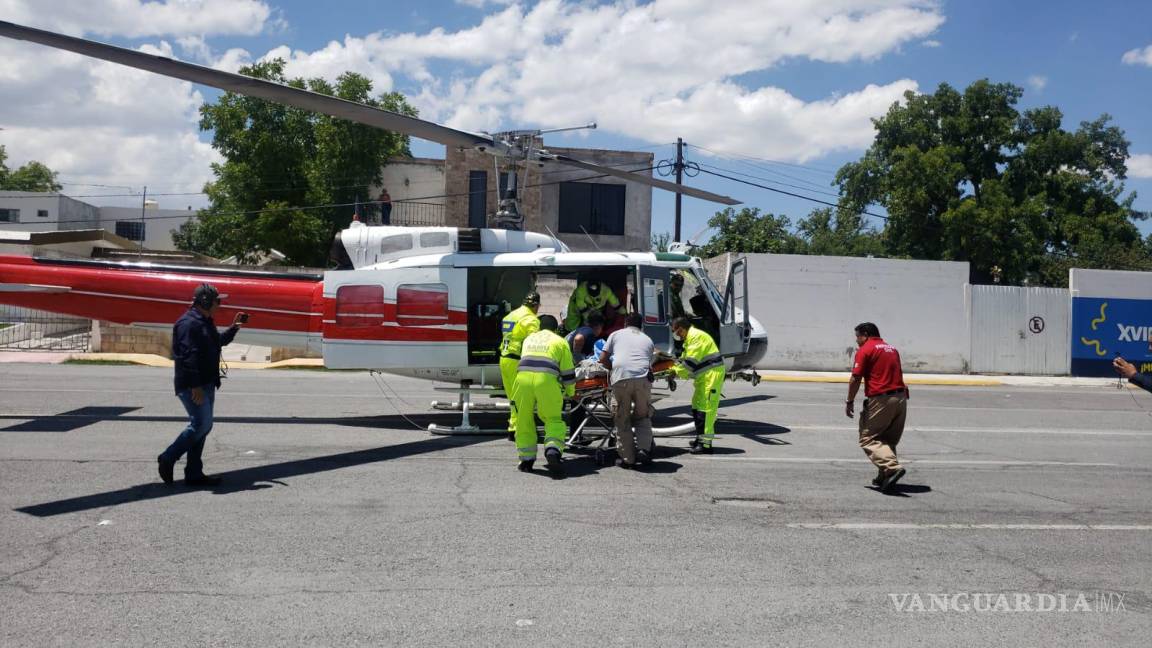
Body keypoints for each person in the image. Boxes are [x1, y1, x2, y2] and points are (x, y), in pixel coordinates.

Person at [157, 283, 245, 487]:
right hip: (193, 385)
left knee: (202, 427)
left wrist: (235, 328)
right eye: (217, 301)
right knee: (201, 424)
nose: (219, 305)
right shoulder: (189, 324)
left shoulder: (204, 322)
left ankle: (194, 473)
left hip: (206, 382)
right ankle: (168, 458)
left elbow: (218, 342)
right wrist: (195, 386)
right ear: (205, 301)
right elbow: (188, 356)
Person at [845, 322, 909, 493]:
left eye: (858, 337)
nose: (857, 341)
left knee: (868, 438)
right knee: (886, 439)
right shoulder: (891, 348)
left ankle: (892, 468)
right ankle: (885, 475)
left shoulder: (866, 350)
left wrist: (849, 401)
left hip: (881, 398)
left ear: (865, 334)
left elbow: (855, 379)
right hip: (901, 397)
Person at [513, 315, 575, 478]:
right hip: (546, 380)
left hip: (523, 379)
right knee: (553, 418)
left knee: (523, 418)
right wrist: (571, 392)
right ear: (556, 329)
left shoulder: (528, 339)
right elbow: (568, 372)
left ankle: (526, 460)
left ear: (539, 327)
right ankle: (553, 450)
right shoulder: (560, 341)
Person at [598, 312, 656, 468]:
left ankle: (628, 459)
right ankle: (644, 449)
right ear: (641, 325)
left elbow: (602, 359)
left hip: (621, 379)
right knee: (642, 416)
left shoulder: (615, 335)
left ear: (625, 323)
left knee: (622, 419)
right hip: (643, 379)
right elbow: (649, 362)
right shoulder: (648, 340)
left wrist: (613, 370)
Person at [671, 316, 725, 454]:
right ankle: (700, 438)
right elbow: (685, 358)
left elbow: (689, 364)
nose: (676, 335)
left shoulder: (696, 337)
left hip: (711, 376)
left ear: (681, 329)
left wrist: (673, 371)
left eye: (676, 332)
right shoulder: (690, 338)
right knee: (697, 406)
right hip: (704, 377)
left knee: (706, 410)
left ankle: (706, 445)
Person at [499, 292, 541, 441]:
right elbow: (534, 342)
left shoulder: (511, 315)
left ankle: (513, 426)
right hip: (517, 360)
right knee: (522, 398)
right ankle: (519, 429)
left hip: (504, 359)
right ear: (536, 305)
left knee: (513, 398)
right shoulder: (531, 320)